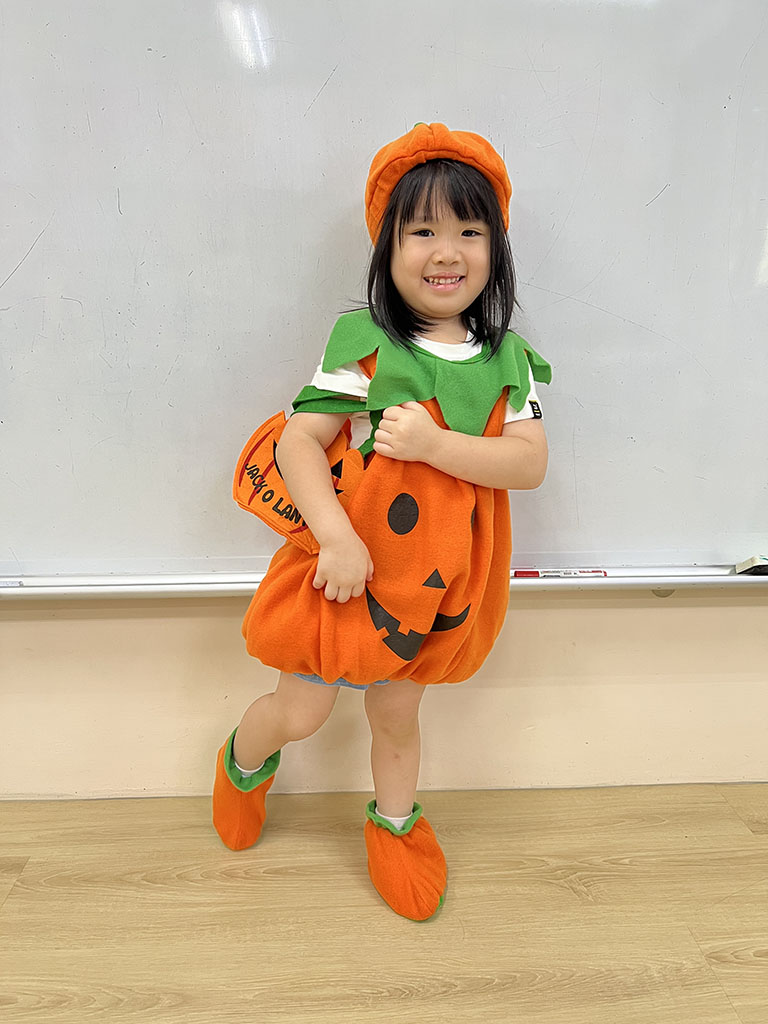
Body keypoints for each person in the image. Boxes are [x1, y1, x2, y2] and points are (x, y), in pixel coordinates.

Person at [213, 122, 551, 921]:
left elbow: (528, 463)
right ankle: (242, 761)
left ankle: (397, 825)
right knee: (301, 710)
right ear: (387, 245)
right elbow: (299, 442)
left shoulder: (507, 360)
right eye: (422, 230)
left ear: (495, 248)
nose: (446, 251)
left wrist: (434, 445)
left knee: (397, 716)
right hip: (344, 575)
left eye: (469, 231)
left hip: (429, 589)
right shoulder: (362, 344)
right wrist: (335, 538)